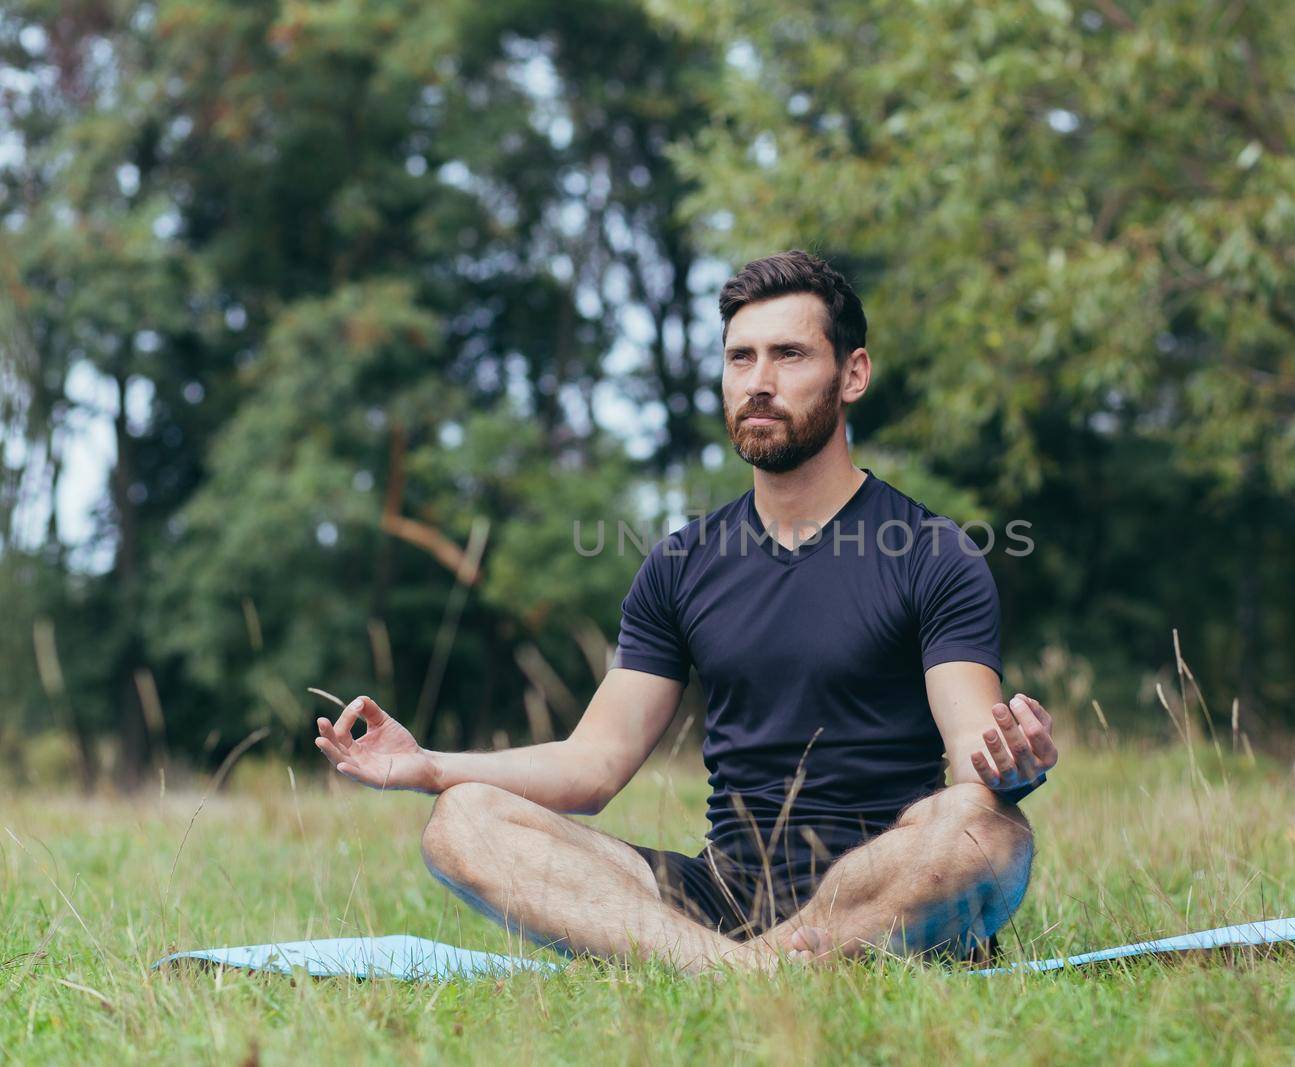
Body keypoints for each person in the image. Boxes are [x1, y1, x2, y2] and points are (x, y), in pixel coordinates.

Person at [313, 250, 1058, 973]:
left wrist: (1010, 766)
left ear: (852, 374)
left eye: (790, 355)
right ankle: (746, 970)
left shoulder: (931, 552)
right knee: (464, 819)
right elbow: (592, 765)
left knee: (985, 828)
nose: (759, 382)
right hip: (719, 896)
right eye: (741, 358)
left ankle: (761, 961)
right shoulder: (681, 564)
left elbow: (973, 758)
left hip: (883, 880)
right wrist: (428, 766)